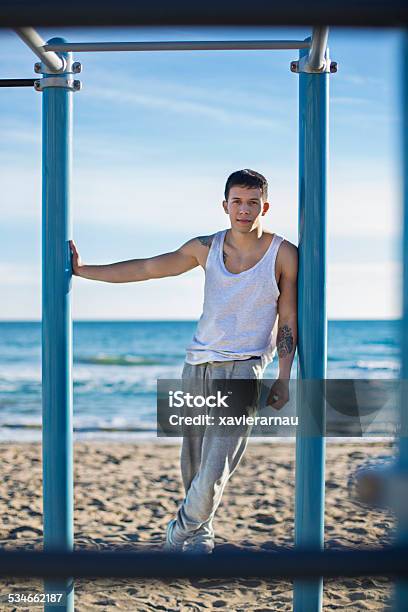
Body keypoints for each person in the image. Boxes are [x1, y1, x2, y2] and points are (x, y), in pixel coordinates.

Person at [70, 168, 298, 554]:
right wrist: (83, 271)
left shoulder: (284, 254)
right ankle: (200, 534)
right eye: (237, 202)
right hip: (196, 365)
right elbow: (146, 268)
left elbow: (288, 319)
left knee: (215, 468)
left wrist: (284, 376)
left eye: (253, 203)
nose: (245, 210)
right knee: (193, 465)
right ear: (225, 205)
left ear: (265, 206)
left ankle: (181, 529)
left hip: (243, 368)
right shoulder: (205, 247)